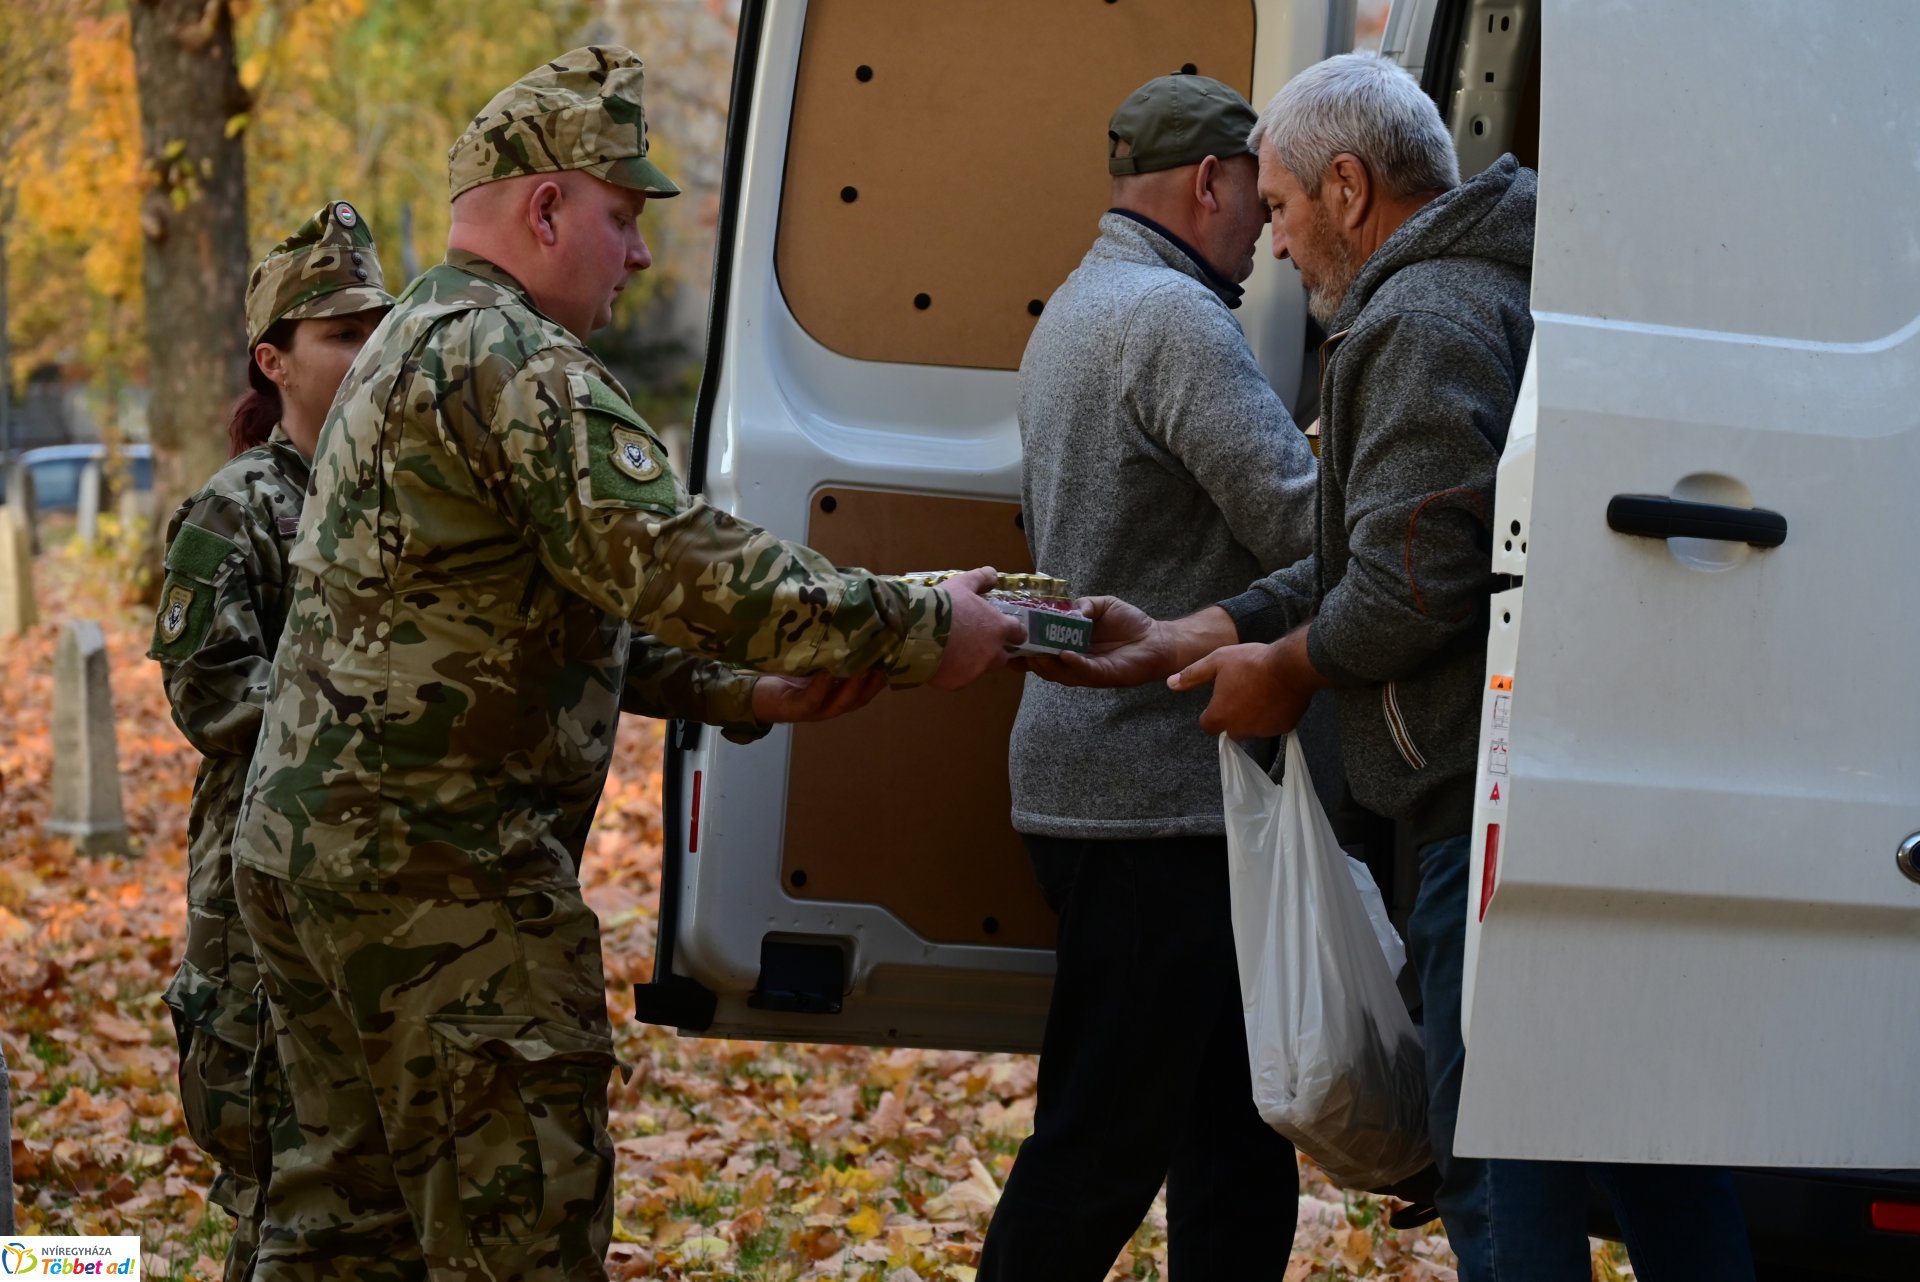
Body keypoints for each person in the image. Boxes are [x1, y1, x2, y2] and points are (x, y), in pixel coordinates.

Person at [228, 47, 1022, 1282]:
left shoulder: (408, 343)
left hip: (311, 868)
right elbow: (690, 566)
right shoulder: (518, 365)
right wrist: (924, 626)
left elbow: (536, 614)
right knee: (516, 1245)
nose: (640, 252)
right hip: (446, 888)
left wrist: (744, 689)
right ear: (547, 209)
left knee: (342, 1237)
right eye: (621, 216)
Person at [1033, 53, 1756, 1282]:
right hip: (1551, 779)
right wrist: (1204, 631)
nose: (1276, 242)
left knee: (1492, 1150)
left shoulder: (1419, 321)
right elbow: (1370, 540)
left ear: (1350, 188)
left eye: (1282, 207)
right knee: (1640, 1131)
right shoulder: (1475, 288)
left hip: (1476, 798)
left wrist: (1293, 670)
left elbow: (1416, 582)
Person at [979, 73, 1316, 1282]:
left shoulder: (1080, 302)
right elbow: (1297, 521)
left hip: (1106, 781)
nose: (1269, 229)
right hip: (1150, 800)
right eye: (1260, 196)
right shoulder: (1173, 320)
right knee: (1100, 1152)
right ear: (1210, 181)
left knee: (1231, 1138)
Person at [148, 200, 397, 1282]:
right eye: (343, 334)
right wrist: (374, 720)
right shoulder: (235, 512)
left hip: (386, 893)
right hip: (262, 897)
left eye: (380, 329)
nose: (369, 352)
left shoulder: (405, 504)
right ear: (273, 360)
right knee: (282, 1189)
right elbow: (214, 697)